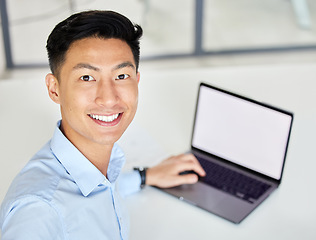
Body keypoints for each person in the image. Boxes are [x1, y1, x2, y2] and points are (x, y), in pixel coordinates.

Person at [0, 10, 205, 240]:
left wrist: (146, 176)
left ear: (137, 80)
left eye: (121, 76)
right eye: (87, 77)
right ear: (54, 88)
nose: (108, 98)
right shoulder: (38, 213)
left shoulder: (98, 165)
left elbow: (96, 190)